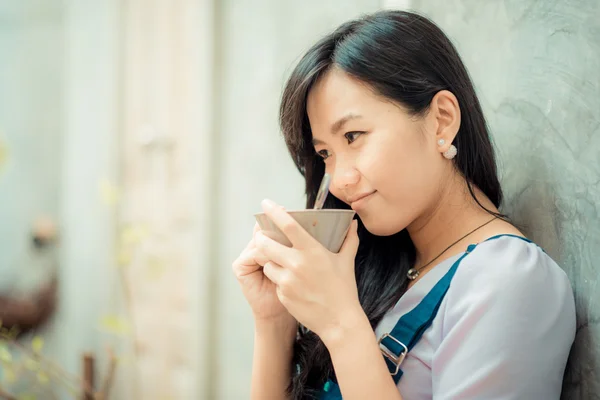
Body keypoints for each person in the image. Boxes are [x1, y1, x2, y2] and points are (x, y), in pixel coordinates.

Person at [232, 10, 575, 400]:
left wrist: (342, 324)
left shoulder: (510, 280)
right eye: (325, 153)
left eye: (354, 135)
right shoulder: (381, 268)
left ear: (442, 121)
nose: (340, 180)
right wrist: (274, 322)